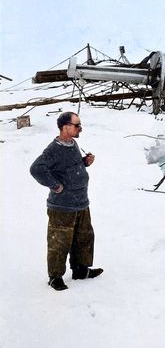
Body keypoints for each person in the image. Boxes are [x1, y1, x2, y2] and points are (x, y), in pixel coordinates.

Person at [30, 111, 103, 291]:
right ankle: (55, 277)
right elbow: (36, 169)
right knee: (59, 242)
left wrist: (84, 162)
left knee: (84, 238)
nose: (80, 128)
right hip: (62, 207)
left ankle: (80, 270)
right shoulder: (53, 150)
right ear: (66, 127)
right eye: (77, 125)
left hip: (81, 202)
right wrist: (55, 186)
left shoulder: (72, 143)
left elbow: (68, 166)